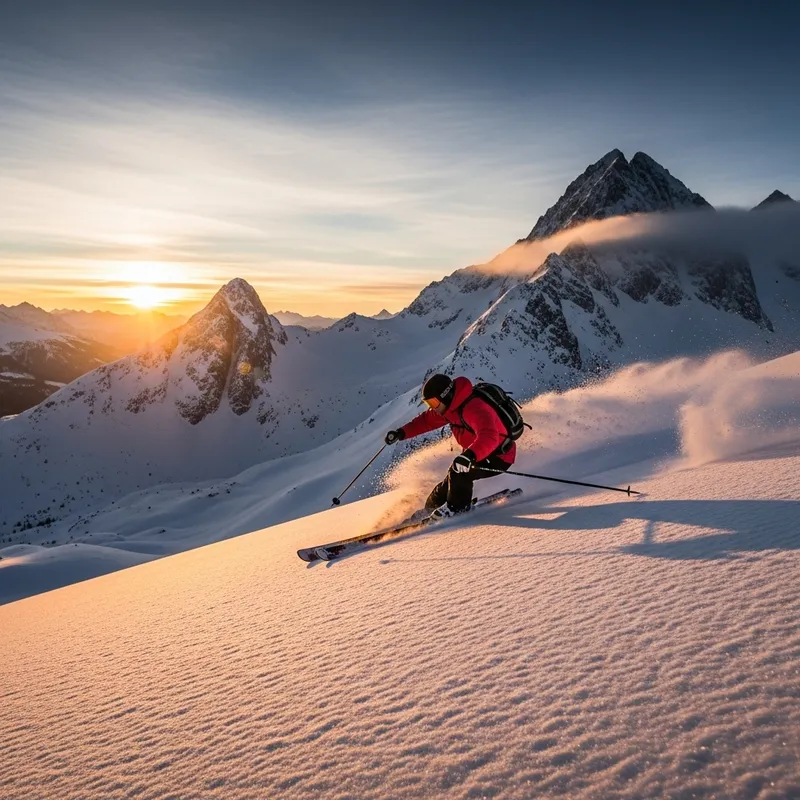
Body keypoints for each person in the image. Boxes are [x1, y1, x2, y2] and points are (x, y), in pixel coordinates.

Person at [384, 373, 516, 518]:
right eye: (429, 404)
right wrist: (401, 433)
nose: (433, 408)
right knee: (447, 485)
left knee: (458, 473)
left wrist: (470, 455)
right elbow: (426, 421)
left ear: (445, 395)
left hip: (498, 456)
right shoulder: (448, 408)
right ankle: (429, 510)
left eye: (434, 403)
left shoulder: (474, 408)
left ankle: (457, 510)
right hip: (475, 455)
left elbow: (490, 436)